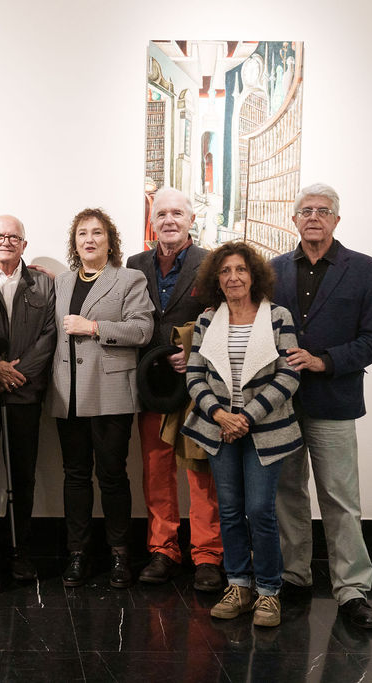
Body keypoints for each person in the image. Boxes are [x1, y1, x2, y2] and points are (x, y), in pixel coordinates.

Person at [270, 183, 372, 630]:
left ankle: (352, 591)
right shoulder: (273, 270)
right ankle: (293, 577)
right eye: (306, 211)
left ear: (337, 219)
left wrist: (324, 361)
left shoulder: (366, 270)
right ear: (294, 220)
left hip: (334, 400)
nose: (314, 217)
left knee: (340, 498)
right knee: (287, 493)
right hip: (280, 403)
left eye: (323, 210)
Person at [181, 241, 302, 628]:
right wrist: (219, 414)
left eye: (241, 270)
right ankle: (238, 585)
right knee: (230, 511)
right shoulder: (207, 321)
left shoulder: (278, 316)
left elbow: (289, 375)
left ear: (254, 275)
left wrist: (246, 416)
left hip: (264, 428)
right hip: (220, 428)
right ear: (216, 279)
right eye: (225, 271)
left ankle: (268, 591)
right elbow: (194, 374)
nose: (233, 277)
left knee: (260, 511)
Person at [48, 208, 154, 589]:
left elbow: (142, 330)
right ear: (74, 243)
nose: (89, 239)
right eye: (82, 234)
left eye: (97, 233)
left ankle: (119, 554)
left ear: (110, 241)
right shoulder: (62, 282)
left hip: (110, 393)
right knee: (75, 476)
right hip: (69, 393)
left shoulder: (129, 279)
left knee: (112, 476)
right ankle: (77, 553)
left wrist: (93, 327)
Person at [126, 187, 225, 592]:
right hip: (153, 386)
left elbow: (227, 317)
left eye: (177, 214)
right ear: (152, 221)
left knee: (201, 474)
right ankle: (163, 550)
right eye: (162, 214)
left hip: (200, 387)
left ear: (191, 220)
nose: (169, 220)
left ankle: (208, 556)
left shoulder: (212, 263)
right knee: (156, 470)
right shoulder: (135, 265)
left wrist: (193, 348)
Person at [0, 214, 56, 581]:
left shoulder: (44, 284)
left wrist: (15, 376)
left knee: (23, 476)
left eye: (13, 237)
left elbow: (50, 335)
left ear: (24, 244)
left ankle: (19, 550)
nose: (5, 242)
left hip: (25, 394)